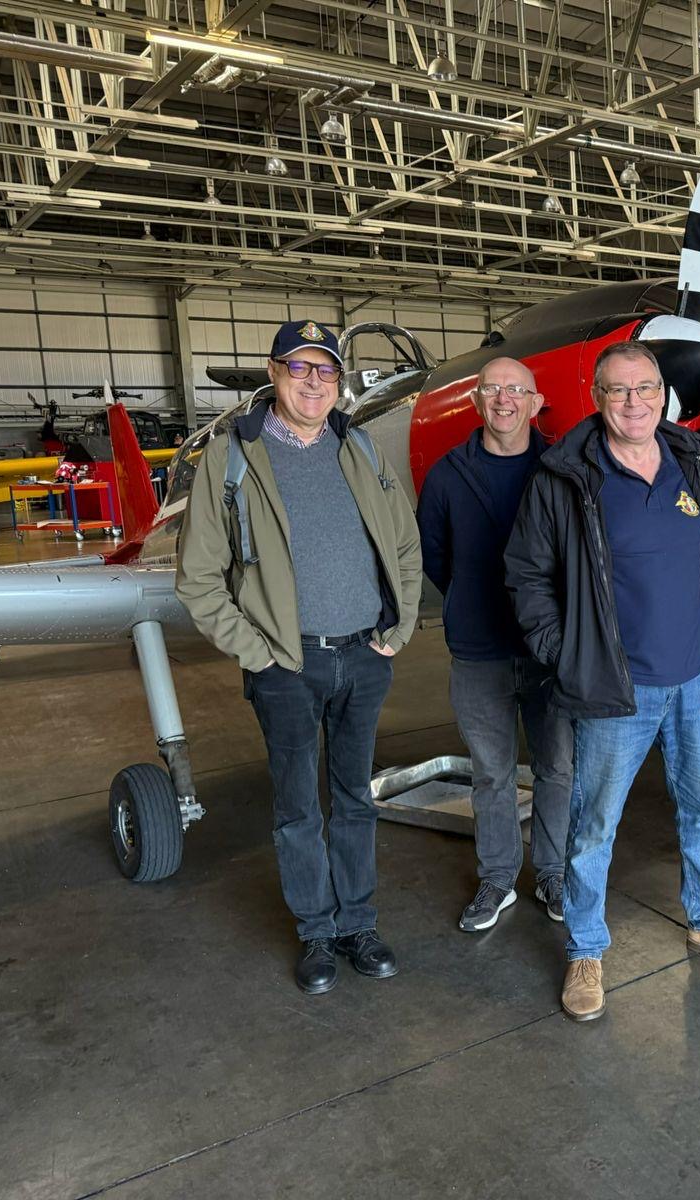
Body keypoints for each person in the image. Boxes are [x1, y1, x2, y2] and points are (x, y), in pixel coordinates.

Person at [505, 341, 700, 1023]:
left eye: (645, 388)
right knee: (595, 827)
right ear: (598, 398)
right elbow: (527, 575)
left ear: (663, 394)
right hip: (613, 690)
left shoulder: (691, 462)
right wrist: (566, 655)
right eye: (619, 391)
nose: (634, 402)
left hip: (693, 680)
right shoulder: (564, 476)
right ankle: (587, 947)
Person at [176, 319, 422, 995]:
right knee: (296, 808)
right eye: (299, 368)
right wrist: (259, 653)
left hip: (363, 657)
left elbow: (404, 546)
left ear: (337, 381)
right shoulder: (233, 458)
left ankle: (358, 925)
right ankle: (316, 933)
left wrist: (396, 628)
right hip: (287, 666)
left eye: (326, 371)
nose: (313, 382)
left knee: (354, 799)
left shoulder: (361, 449)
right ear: (274, 371)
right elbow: (198, 577)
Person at [416, 355, 571, 932]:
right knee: (492, 773)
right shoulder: (448, 475)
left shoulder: (562, 468)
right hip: (479, 650)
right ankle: (498, 877)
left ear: (536, 403)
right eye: (492, 389)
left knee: (558, 767)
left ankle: (553, 872)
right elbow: (435, 558)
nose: (504, 399)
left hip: (549, 651)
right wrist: (469, 600)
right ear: (477, 402)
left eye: (517, 390)